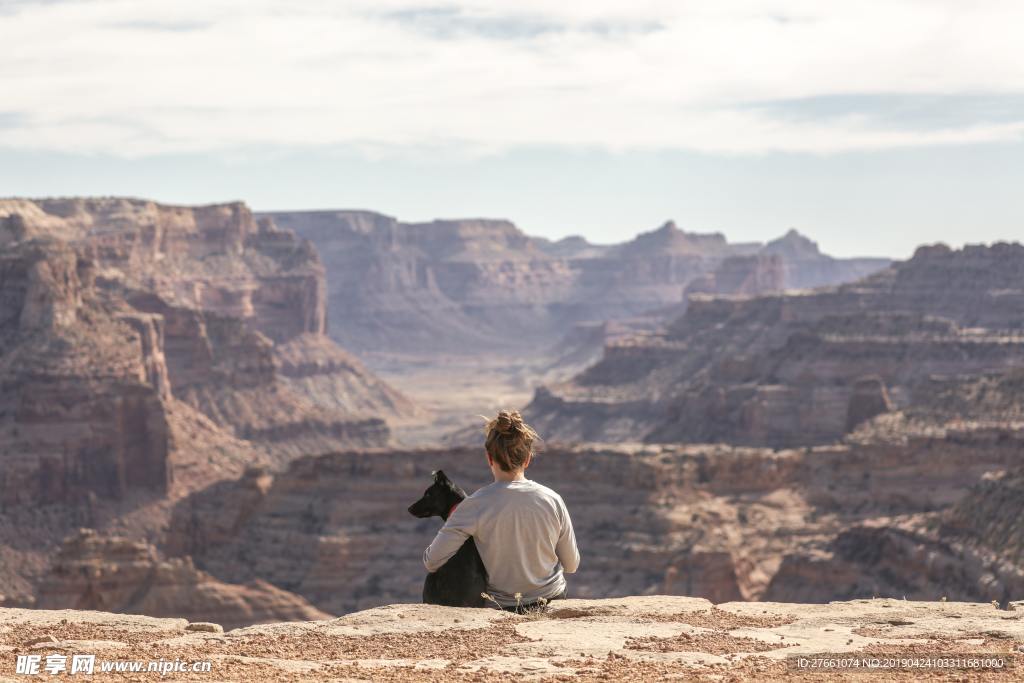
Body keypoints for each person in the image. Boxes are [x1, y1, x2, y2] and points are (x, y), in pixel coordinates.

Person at [422, 409, 580, 611]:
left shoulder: (473, 505)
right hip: (551, 600)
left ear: (489, 458)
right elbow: (572, 565)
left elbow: (431, 562)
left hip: (503, 607)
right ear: (527, 459)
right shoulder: (552, 499)